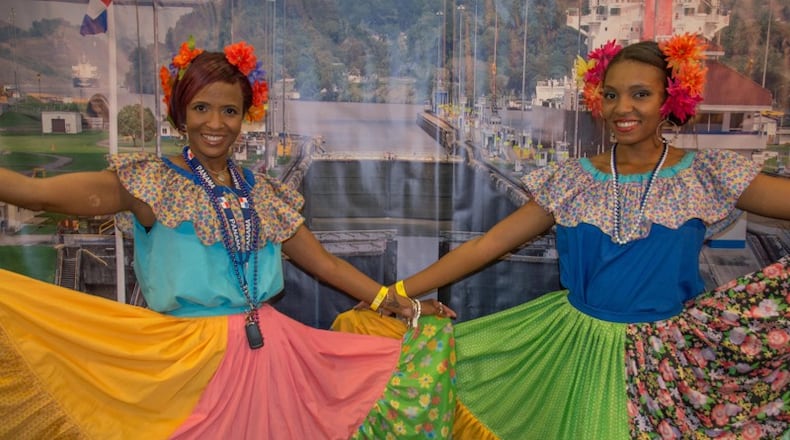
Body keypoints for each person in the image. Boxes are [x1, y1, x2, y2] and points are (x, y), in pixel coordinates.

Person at [334, 34, 790, 438]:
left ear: (670, 99)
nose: (622, 108)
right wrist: (391, 295)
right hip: (570, 347)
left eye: (641, 94)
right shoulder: (573, 179)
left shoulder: (704, 173)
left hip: (664, 360)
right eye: (611, 95)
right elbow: (488, 244)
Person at [0, 38, 457, 439]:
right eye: (201, 107)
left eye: (228, 110)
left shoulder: (260, 191)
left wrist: (401, 302)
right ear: (181, 113)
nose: (214, 122)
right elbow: (35, 193)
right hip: (181, 366)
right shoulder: (149, 183)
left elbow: (327, 265)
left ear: (245, 117)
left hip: (271, 360)